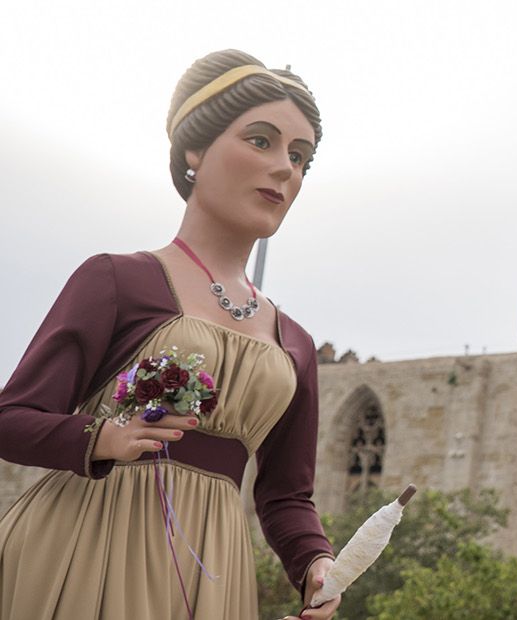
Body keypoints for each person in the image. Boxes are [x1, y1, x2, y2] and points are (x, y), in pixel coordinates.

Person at [0, 52, 342, 620]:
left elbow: (285, 496)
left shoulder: (296, 344)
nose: (285, 168)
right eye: (261, 140)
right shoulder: (117, 280)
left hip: (212, 575)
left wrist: (315, 563)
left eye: (300, 156)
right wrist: (103, 438)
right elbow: (11, 418)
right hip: (79, 553)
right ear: (194, 150)